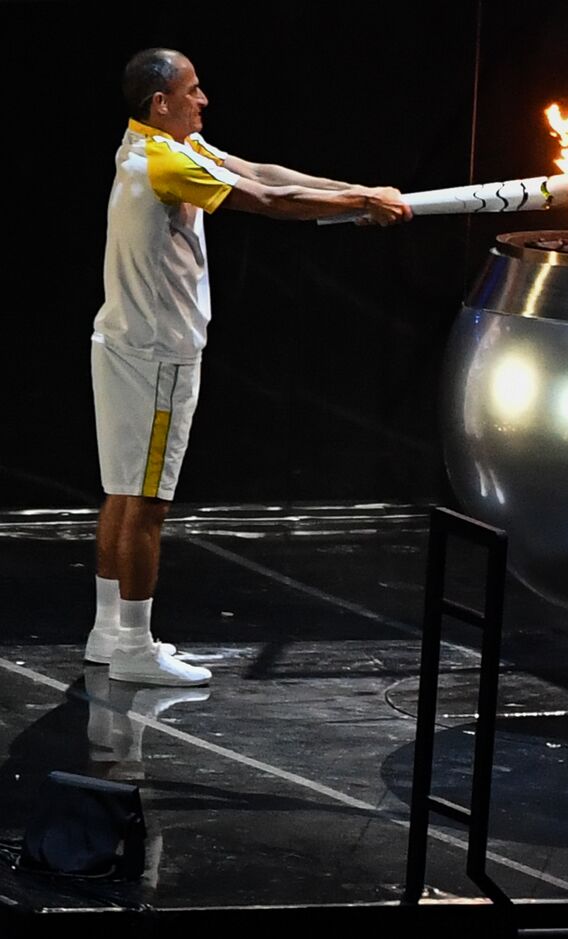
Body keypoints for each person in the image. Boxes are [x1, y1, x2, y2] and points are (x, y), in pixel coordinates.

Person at [84, 48, 412, 686]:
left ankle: (106, 631)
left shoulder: (153, 147)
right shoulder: (168, 163)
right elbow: (266, 199)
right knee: (147, 500)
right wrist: (361, 201)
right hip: (158, 359)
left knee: (122, 490)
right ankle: (133, 645)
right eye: (193, 90)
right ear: (162, 103)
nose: (203, 100)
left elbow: (261, 170)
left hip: (122, 344)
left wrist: (357, 196)